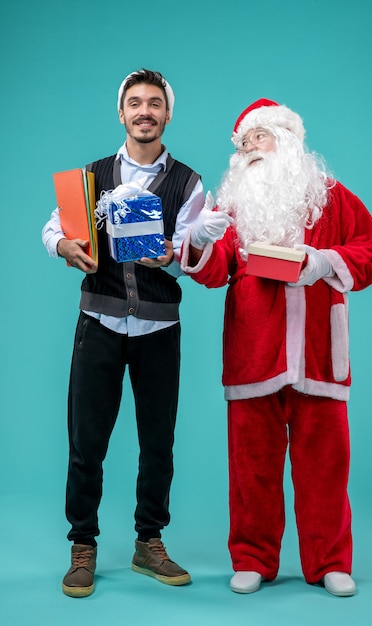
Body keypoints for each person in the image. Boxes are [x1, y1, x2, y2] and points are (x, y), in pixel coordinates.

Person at [181, 98, 372, 596]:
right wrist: (199, 239)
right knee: (251, 468)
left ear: (288, 141)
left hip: (320, 355)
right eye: (243, 143)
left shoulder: (332, 198)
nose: (249, 149)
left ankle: (330, 562)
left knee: (326, 467)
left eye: (259, 138)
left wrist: (325, 262)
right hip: (255, 353)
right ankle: (253, 557)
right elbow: (214, 271)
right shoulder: (231, 207)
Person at [42, 68, 204, 597]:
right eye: (135, 103)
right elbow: (53, 227)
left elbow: (194, 250)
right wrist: (64, 247)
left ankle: (148, 541)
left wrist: (174, 258)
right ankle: (82, 544)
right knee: (86, 440)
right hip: (99, 322)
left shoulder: (188, 181)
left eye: (154, 103)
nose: (144, 111)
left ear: (167, 114)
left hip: (159, 327)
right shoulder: (89, 176)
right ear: (121, 112)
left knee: (158, 442)